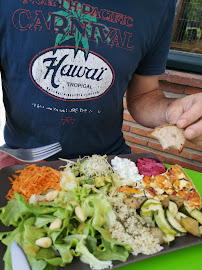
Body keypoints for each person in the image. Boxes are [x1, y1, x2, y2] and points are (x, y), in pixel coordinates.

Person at [0, 0, 201, 169]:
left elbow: (144, 95)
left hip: (107, 165)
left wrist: (172, 111)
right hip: (23, 162)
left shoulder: (159, 5)